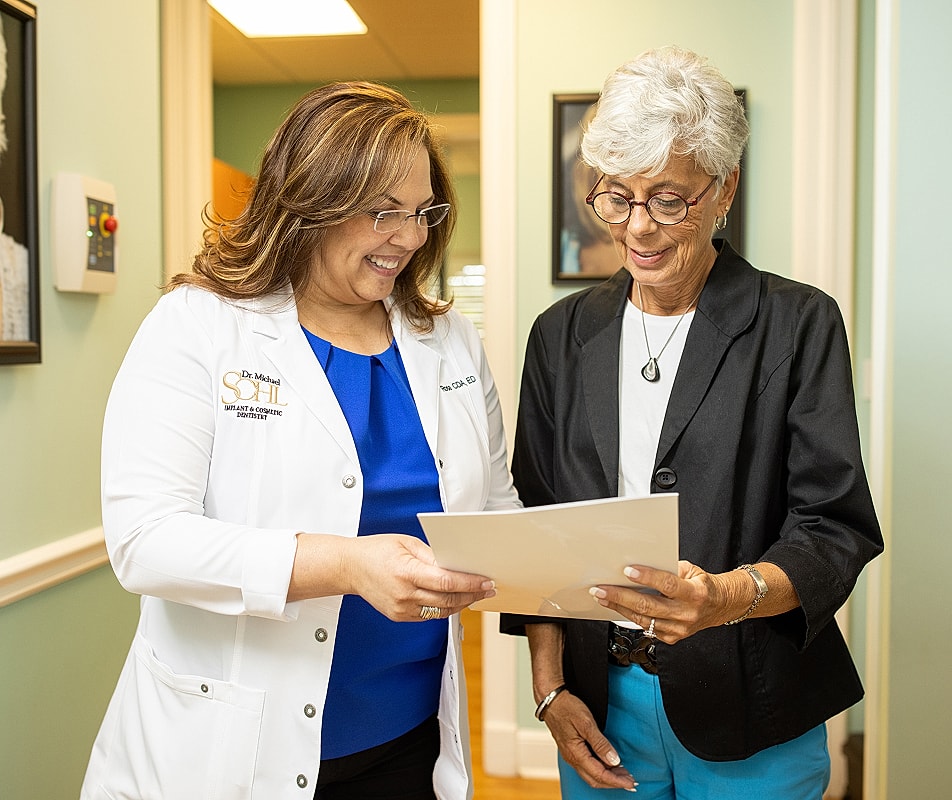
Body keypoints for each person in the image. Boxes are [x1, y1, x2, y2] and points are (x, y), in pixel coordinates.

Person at [81, 81, 519, 800]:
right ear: (309, 203)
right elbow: (144, 540)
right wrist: (346, 565)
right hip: (230, 752)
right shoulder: (197, 326)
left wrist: (588, 564)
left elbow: (493, 507)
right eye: (383, 213)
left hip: (410, 741)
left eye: (421, 213)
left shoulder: (449, 341)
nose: (409, 238)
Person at [502, 46, 883, 799]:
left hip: (753, 706)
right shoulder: (560, 334)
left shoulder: (798, 324)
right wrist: (550, 689)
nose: (638, 227)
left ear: (723, 190)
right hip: (600, 707)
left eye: (668, 199)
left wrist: (727, 598)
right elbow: (534, 521)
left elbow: (833, 529)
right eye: (616, 197)